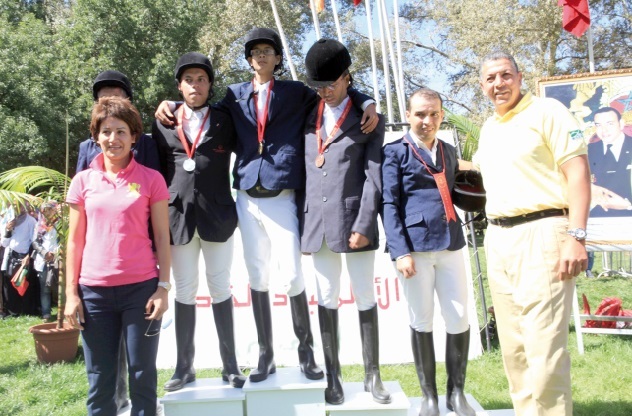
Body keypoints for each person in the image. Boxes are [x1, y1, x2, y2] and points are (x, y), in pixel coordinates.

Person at [155, 27, 377, 383]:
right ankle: (265, 355)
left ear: (276, 58)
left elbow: (333, 87)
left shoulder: (295, 92)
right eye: (255, 51)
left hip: (282, 194)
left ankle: (306, 354)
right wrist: (171, 104)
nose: (261, 56)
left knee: (291, 275)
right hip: (246, 195)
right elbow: (197, 109)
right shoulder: (234, 95)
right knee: (257, 275)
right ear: (248, 59)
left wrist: (367, 101)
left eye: (268, 51)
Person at [473, 51, 590, 415]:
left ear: (520, 78)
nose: (498, 84)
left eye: (505, 75)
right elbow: (476, 173)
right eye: (490, 79)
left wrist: (577, 235)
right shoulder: (490, 127)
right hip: (498, 238)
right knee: (515, 352)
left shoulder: (548, 112)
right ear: (482, 86)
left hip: (545, 234)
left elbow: (578, 173)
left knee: (544, 351)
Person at [65, 96, 171, 416]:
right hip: (94, 293)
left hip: (141, 291)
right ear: (96, 136)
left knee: (142, 376)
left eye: (121, 131)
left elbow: (163, 237)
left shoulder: (152, 179)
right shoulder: (82, 181)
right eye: (107, 131)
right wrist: (71, 294)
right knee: (100, 381)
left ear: (134, 136)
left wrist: (163, 287)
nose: (114, 139)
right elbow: (74, 243)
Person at [301, 39, 390, 405]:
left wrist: (365, 223)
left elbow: (375, 176)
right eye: (318, 86)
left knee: (365, 295)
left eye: (331, 85)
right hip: (317, 223)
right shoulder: (308, 112)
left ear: (347, 78)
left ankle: (373, 375)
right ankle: (333, 376)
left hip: (355, 221)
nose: (325, 92)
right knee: (326, 297)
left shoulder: (367, 119)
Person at [153, 52, 246, 391]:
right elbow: (159, 170)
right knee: (185, 291)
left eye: (201, 78)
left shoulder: (224, 118)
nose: (195, 84)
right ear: (179, 85)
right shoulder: (163, 120)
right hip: (178, 217)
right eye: (189, 79)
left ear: (209, 84)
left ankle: (231, 365)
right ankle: (184, 367)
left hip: (218, 214)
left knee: (221, 288)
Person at [381, 88, 476, 416]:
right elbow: (389, 204)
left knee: (459, 318)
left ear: (441, 114)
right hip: (415, 250)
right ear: (408, 115)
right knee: (421, 320)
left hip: (450, 244)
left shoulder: (449, 151)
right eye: (421, 114)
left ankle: (456, 393)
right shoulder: (395, 152)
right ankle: (430, 397)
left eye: (434, 113)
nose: (428, 120)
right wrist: (399, 251)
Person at [76, 70, 160, 173]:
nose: (110, 104)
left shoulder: (146, 145)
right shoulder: (87, 148)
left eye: (115, 98)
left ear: (128, 101)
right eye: (103, 99)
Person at [588, 106, 632, 216]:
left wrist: (628, 205)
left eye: (610, 124)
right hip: (595, 220)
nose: (604, 130)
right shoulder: (587, 151)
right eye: (598, 125)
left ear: (621, 124)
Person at [1, 202, 37, 317]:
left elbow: (34, 240)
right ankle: (13, 311)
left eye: (20, 206)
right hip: (10, 256)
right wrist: (8, 229)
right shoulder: (9, 220)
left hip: (25, 256)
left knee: (24, 282)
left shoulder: (30, 221)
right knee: (9, 284)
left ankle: (27, 310)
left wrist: (28, 256)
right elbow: (4, 243)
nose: (18, 209)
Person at [32, 201, 60, 322]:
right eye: (44, 210)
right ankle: (46, 313)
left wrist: (55, 253)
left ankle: (63, 311)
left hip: (58, 258)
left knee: (60, 286)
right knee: (45, 288)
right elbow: (35, 242)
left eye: (49, 209)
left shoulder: (60, 224)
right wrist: (45, 253)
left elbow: (64, 240)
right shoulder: (39, 225)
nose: (46, 212)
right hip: (43, 260)